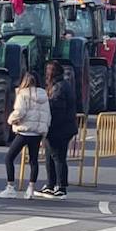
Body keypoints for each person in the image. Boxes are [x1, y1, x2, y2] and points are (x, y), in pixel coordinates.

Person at [0, 71, 51, 199]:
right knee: (33, 161)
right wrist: (44, 129)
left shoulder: (23, 94)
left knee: (9, 158)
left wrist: (10, 120)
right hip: (37, 133)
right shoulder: (44, 95)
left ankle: (10, 187)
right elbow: (48, 115)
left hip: (24, 131)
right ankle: (31, 189)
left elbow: (20, 112)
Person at [41, 61, 78, 199]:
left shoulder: (59, 87)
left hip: (60, 129)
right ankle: (51, 185)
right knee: (51, 157)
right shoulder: (62, 85)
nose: (46, 74)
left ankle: (61, 187)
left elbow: (57, 109)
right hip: (62, 128)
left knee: (58, 157)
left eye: (48, 71)